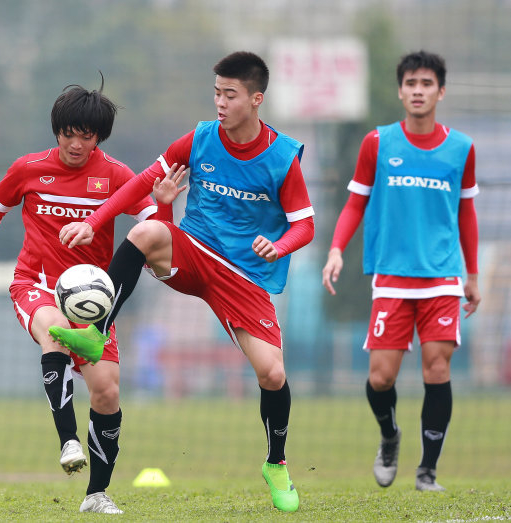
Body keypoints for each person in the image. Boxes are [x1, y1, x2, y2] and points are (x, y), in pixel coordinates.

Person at [49, 51, 315, 513]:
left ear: (256, 99)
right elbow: (140, 185)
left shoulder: (282, 157)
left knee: (272, 373)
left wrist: (282, 246)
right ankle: (94, 334)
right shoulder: (199, 139)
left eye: (230, 94)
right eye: (216, 92)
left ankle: (275, 463)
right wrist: (96, 220)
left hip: (245, 277)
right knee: (147, 230)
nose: (220, 102)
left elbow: (304, 223)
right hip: (193, 252)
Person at [0, 80, 171, 514]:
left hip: (92, 302)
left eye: (86, 135)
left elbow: (158, 235)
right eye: (68, 133)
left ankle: (97, 494)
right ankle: (68, 440)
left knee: (107, 393)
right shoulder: (28, 168)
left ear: (99, 137)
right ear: (57, 131)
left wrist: (163, 203)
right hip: (35, 283)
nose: (76, 143)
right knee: (52, 332)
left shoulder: (115, 175)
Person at [321, 50, 481, 492]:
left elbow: (466, 214)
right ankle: (390, 437)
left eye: (427, 84)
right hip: (391, 276)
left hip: (442, 277)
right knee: (380, 377)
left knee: (437, 369)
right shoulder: (378, 143)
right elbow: (355, 202)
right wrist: (336, 250)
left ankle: (427, 470)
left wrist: (473, 275)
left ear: (440, 91)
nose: (418, 91)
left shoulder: (461, 149)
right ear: (400, 90)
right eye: (411, 83)